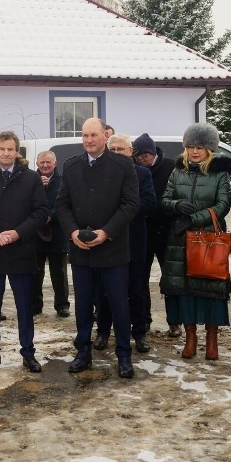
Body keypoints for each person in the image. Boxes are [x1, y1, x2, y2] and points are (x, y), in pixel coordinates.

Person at [55, 118, 139, 379]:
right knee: (82, 305)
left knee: (118, 304)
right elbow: (62, 204)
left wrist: (106, 232)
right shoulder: (71, 166)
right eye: (85, 135)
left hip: (112, 250)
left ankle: (124, 355)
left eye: (93, 135)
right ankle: (83, 352)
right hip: (81, 250)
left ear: (105, 135)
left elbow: (130, 204)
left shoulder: (123, 165)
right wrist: (72, 231)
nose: (89, 140)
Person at [0, 130, 49, 372]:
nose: (6, 153)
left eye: (10, 149)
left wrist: (17, 233)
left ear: (17, 152)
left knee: (24, 306)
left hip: (21, 250)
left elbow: (40, 212)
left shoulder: (31, 178)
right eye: (2, 149)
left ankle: (28, 352)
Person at [159, 124, 231, 361]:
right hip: (179, 240)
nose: (194, 151)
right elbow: (165, 200)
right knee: (185, 292)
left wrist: (194, 218)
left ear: (209, 149)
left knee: (210, 288)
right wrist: (177, 206)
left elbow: (223, 206)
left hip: (208, 239)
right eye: (190, 146)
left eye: (199, 147)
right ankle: (190, 338)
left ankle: (212, 340)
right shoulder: (177, 171)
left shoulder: (220, 173)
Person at [94, 134, 156, 353]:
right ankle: (102, 332)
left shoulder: (142, 173)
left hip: (133, 240)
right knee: (104, 291)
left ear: (131, 152)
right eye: (114, 149)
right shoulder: (99, 173)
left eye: (122, 149)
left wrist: (123, 213)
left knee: (135, 290)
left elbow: (149, 202)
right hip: (106, 242)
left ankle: (139, 333)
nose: (118, 153)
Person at [133, 133, 177, 336]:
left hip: (166, 231)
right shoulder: (135, 171)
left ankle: (174, 321)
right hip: (143, 232)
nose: (141, 159)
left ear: (153, 153)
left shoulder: (170, 167)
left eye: (145, 155)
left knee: (170, 279)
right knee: (141, 278)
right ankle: (144, 319)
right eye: (138, 155)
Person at [32, 151, 71, 318]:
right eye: (42, 163)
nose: (45, 165)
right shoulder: (31, 180)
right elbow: (24, 202)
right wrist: (37, 186)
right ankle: (34, 304)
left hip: (57, 232)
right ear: (37, 164)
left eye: (48, 162)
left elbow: (65, 203)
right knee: (35, 272)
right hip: (36, 233)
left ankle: (62, 304)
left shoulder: (63, 181)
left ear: (55, 164)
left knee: (59, 273)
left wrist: (50, 216)